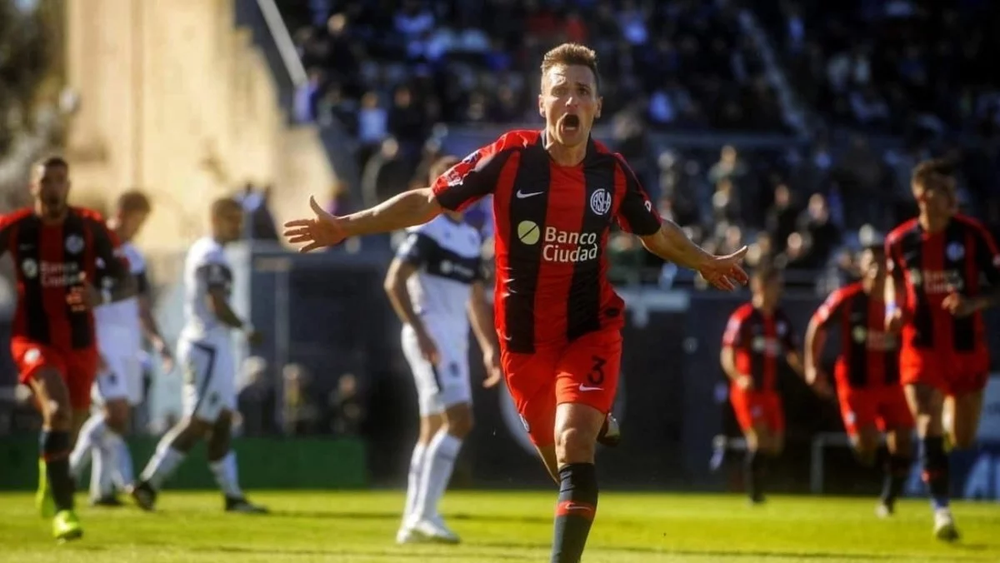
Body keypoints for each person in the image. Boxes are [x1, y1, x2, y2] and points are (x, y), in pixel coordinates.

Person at [284, 43, 748, 563]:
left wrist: (704, 260)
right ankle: (594, 418)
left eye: (582, 91)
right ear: (542, 103)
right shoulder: (509, 157)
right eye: (560, 90)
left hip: (588, 328)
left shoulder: (612, 173)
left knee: (573, 442)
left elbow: (654, 232)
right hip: (523, 343)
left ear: (597, 106)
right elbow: (428, 201)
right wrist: (346, 225)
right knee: (563, 465)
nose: (571, 100)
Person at [0, 156, 130, 540]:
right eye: (46, 180)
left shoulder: (89, 227)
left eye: (60, 180)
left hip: (80, 341)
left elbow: (126, 280)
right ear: (34, 187)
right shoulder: (16, 228)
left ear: (68, 186)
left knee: (71, 422)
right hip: (34, 338)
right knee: (56, 411)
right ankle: (65, 510)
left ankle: (50, 471)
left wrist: (101, 294)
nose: (53, 187)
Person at [387, 155, 504, 544]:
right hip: (432, 335)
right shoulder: (428, 229)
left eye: (464, 176)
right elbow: (394, 281)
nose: (458, 183)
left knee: (434, 427)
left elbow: (476, 299)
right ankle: (424, 515)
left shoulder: (470, 237)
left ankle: (412, 520)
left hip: (454, 338)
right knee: (461, 420)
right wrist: (419, 330)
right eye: (448, 176)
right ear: (435, 183)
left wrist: (488, 346)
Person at [884, 159, 1000, 540]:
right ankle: (942, 511)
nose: (954, 197)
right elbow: (893, 280)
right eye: (944, 190)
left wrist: (973, 303)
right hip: (921, 347)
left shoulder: (973, 236)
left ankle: (947, 432)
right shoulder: (899, 242)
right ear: (923, 196)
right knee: (926, 419)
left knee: (962, 438)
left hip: (966, 349)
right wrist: (892, 309)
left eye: (954, 190)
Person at [130, 197, 266, 513]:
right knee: (199, 421)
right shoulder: (210, 254)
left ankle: (232, 495)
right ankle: (149, 483)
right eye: (232, 219)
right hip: (207, 346)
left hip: (214, 346)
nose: (238, 226)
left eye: (240, 219)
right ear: (216, 219)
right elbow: (216, 303)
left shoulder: (210, 252)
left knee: (221, 421)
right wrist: (246, 329)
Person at [69, 190, 173, 506]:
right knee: (115, 414)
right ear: (122, 213)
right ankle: (72, 471)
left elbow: (142, 306)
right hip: (103, 343)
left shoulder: (135, 258)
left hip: (129, 346)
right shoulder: (94, 250)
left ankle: (101, 490)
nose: (139, 227)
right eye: (138, 220)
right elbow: (79, 300)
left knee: (116, 420)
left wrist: (158, 341)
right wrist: (89, 344)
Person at [804, 244, 914, 517]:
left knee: (902, 438)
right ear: (861, 268)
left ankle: (889, 499)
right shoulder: (847, 299)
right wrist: (811, 366)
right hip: (856, 383)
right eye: (871, 263)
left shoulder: (903, 300)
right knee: (867, 445)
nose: (877, 269)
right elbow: (818, 325)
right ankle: (863, 465)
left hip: (894, 382)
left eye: (882, 263)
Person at [720, 267, 821, 504]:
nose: (779, 291)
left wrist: (809, 374)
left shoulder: (779, 319)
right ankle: (754, 494)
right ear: (760, 286)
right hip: (748, 391)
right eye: (776, 286)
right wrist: (739, 377)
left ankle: (747, 474)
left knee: (775, 445)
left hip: (770, 391)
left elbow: (793, 353)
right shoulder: (744, 318)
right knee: (759, 440)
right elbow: (727, 353)